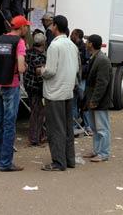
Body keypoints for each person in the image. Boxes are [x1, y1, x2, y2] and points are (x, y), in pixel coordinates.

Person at [0, 15, 29, 172]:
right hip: (10, 86)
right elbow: (21, 67)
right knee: (9, 124)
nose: (27, 29)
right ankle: (5, 163)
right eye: (26, 26)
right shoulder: (19, 42)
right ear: (21, 27)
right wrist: (23, 64)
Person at [38, 15, 80, 171]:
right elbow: (75, 69)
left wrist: (40, 70)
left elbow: (50, 71)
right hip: (68, 91)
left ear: (55, 26)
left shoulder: (54, 46)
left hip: (54, 93)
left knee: (55, 129)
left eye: (51, 25)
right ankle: (69, 160)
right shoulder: (72, 46)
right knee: (68, 129)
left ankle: (58, 162)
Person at [82, 34, 113, 162]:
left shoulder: (102, 60)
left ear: (91, 44)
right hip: (92, 100)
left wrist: (94, 100)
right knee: (95, 128)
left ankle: (104, 153)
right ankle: (96, 150)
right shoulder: (94, 57)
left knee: (102, 128)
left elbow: (102, 83)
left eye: (87, 42)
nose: (85, 43)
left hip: (98, 101)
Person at [25, 33, 47, 147]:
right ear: (43, 43)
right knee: (38, 113)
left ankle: (41, 135)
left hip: (28, 85)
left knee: (34, 111)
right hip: (37, 88)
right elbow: (39, 73)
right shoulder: (40, 57)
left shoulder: (28, 52)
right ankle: (35, 139)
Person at [71, 28, 92, 135]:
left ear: (77, 35)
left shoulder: (83, 48)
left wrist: (79, 71)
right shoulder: (72, 46)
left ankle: (88, 126)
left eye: (73, 34)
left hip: (81, 79)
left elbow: (86, 65)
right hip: (75, 79)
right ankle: (75, 126)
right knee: (74, 103)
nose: (71, 35)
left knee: (84, 103)